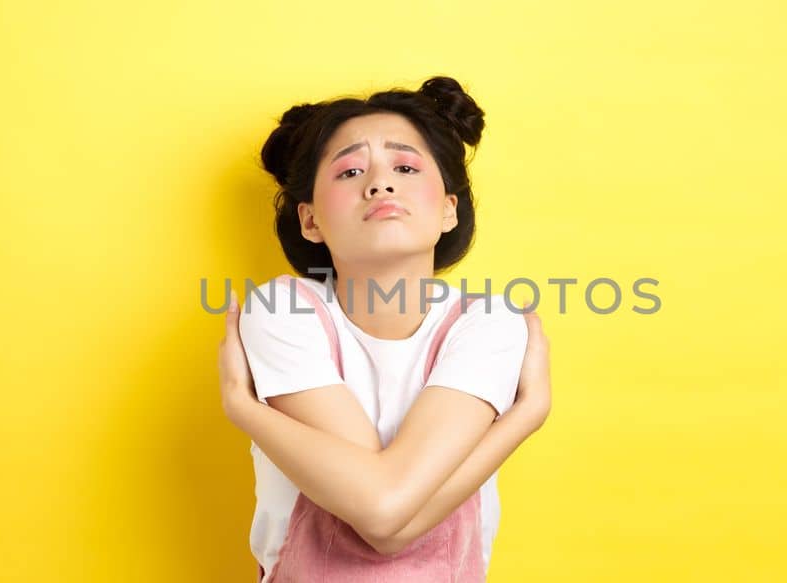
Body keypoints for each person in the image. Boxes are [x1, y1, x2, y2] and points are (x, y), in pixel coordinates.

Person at [214, 76, 552, 582]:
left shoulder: (487, 322)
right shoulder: (284, 310)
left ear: (447, 209)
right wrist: (522, 418)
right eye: (350, 170)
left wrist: (245, 409)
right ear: (310, 221)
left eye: (405, 166)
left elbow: (385, 512)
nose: (379, 183)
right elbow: (380, 517)